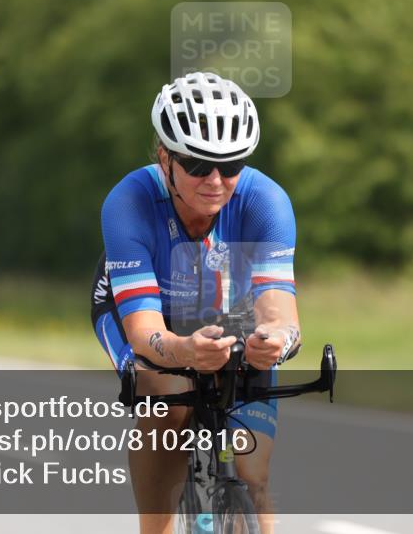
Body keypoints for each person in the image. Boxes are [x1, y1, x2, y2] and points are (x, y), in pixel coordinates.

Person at [90, 71, 301, 534]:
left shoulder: (266, 202)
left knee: (251, 471)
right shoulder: (128, 203)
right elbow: (145, 332)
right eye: (198, 165)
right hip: (147, 312)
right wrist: (184, 351)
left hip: (229, 312)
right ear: (165, 158)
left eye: (231, 165)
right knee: (167, 400)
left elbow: (278, 311)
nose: (216, 181)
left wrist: (275, 340)